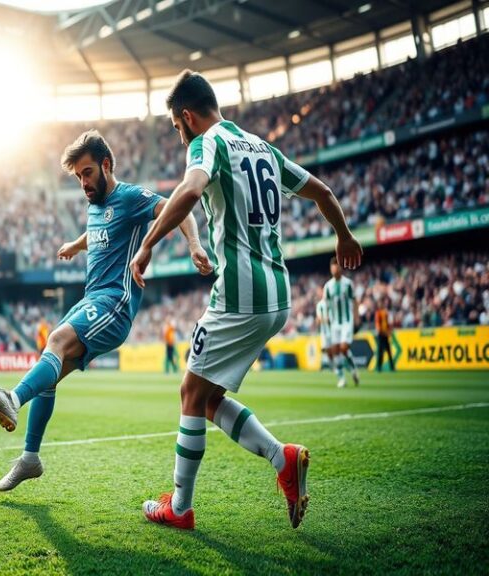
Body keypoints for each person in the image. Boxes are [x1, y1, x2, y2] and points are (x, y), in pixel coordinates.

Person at [129, 70, 363, 530]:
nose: (180, 137)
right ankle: (283, 458)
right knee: (207, 397)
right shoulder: (262, 146)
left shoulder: (207, 143)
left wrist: (148, 244)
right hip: (278, 295)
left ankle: (180, 507)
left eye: (177, 128)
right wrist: (344, 235)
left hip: (240, 294)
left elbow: (190, 190)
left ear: (187, 116)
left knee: (190, 393)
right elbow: (323, 191)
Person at [0, 129, 213, 491]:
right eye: (77, 177)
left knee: (56, 340)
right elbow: (98, 231)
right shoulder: (94, 204)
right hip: (91, 299)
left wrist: (194, 244)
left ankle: (13, 399)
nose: (83, 182)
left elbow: (179, 209)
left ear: (106, 165)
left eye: (87, 173)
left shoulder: (129, 197)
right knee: (49, 370)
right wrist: (76, 244)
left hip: (115, 303)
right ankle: (30, 458)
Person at [324, 257, 360, 387]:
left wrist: (357, 316)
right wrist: (327, 317)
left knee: (344, 348)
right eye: (333, 267)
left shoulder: (348, 283)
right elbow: (326, 304)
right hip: (334, 322)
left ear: (340, 268)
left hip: (346, 321)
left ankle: (353, 369)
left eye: (337, 266)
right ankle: (342, 378)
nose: (335, 269)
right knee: (335, 350)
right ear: (331, 269)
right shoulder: (328, 286)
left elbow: (354, 300)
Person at [375, 297, 396, 372]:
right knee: (380, 352)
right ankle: (379, 367)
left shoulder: (385, 313)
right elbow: (377, 324)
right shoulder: (378, 313)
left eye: (381, 303)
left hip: (385, 334)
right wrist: (381, 331)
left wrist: (389, 331)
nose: (380, 304)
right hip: (381, 334)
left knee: (388, 351)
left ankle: (391, 367)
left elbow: (388, 323)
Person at [315, 287, 333, 370]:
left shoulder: (331, 303)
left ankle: (332, 364)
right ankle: (324, 364)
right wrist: (325, 320)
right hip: (324, 330)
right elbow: (318, 319)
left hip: (333, 330)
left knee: (332, 347)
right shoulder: (320, 305)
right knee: (324, 347)